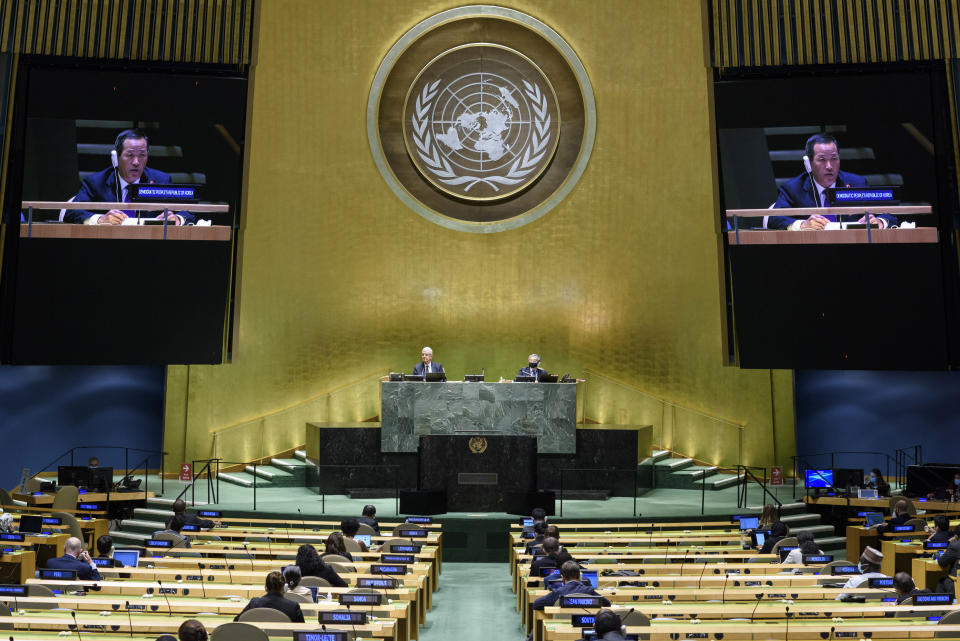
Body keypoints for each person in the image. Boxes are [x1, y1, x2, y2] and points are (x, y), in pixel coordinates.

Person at [64, 129, 193, 225]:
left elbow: (188, 212)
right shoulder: (96, 182)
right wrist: (100, 219)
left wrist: (177, 219)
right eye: (130, 155)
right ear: (117, 157)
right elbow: (72, 213)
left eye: (142, 155)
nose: (136, 162)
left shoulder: (161, 181)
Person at [768, 134, 895, 231]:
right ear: (809, 163)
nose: (829, 166)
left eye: (834, 158)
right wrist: (802, 224)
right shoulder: (793, 188)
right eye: (822, 159)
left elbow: (888, 214)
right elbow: (775, 219)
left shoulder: (857, 184)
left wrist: (879, 221)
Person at [532, 560, 610, 611]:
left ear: (562, 578)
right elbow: (607, 604)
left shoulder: (557, 593)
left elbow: (536, 604)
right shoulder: (589, 591)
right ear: (580, 576)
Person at [234, 570, 304, 622]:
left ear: (266, 587)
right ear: (284, 588)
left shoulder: (254, 603)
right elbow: (302, 631)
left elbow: (236, 621)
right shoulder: (293, 606)